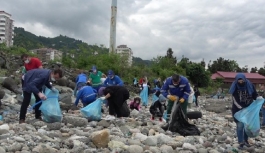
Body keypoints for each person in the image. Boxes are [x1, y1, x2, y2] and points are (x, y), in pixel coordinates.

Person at [229, 73, 258, 149]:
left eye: (242, 81)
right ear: (236, 80)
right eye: (239, 81)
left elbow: (254, 95)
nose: (241, 82)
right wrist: (241, 108)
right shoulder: (235, 86)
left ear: (245, 79)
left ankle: (246, 140)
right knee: (240, 125)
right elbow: (235, 100)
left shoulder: (250, 85)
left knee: (247, 126)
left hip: (248, 109)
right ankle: (241, 142)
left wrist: (258, 99)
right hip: (238, 110)